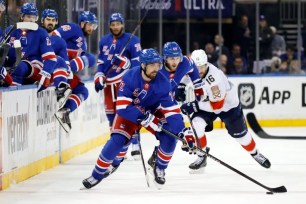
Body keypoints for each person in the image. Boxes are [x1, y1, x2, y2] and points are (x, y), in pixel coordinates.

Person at [82, 48, 196, 189]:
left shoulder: (163, 82)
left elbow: (172, 111)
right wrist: (141, 116)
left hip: (153, 111)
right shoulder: (130, 77)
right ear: (143, 65)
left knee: (170, 137)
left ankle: (159, 167)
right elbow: (122, 108)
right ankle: (97, 174)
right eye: (152, 65)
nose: (156, 68)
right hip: (130, 112)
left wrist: (183, 131)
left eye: (158, 64)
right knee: (117, 141)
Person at [180, 49, 271, 173]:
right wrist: (181, 86)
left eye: (201, 67)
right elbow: (186, 74)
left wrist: (194, 106)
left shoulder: (215, 79)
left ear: (206, 64)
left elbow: (217, 106)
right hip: (206, 103)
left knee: (242, 137)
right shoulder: (194, 69)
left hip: (228, 107)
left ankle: (255, 154)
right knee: (196, 123)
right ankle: (202, 156)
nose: (199, 71)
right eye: (196, 68)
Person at [94, 12, 142, 160]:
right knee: (111, 117)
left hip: (125, 83)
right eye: (113, 24)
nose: (116, 27)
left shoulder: (133, 40)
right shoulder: (103, 41)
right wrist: (99, 77)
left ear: (122, 24)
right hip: (109, 85)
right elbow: (101, 64)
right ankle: (117, 146)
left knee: (129, 114)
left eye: (118, 24)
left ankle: (135, 144)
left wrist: (125, 63)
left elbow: (138, 65)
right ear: (109, 25)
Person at [53, 11, 98, 132]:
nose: (92, 28)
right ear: (82, 23)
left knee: (83, 91)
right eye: (91, 25)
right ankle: (65, 74)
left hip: (65, 72)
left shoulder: (84, 44)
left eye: (94, 26)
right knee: (91, 58)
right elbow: (53, 36)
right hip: (55, 66)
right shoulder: (74, 28)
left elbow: (81, 59)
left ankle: (64, 111)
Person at [2, 3, 57, 91]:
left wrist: (45, 74)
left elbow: (51, 59)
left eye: (34, 17)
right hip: (13, 68)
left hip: (34, 67)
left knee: (21, 67)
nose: (31, 20)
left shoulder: (41, 33)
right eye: (28, 16)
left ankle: (13, 93)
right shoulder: (11, 30)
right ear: (22, 16)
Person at [41, 9, 72, 108]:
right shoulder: (37, 34)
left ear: (56, 22)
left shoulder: (60, 41)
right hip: (36, 68)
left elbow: (66, 63)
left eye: (53, 20)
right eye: (48, 19)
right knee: (57, 59)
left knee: (63, 65)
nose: (50, 22)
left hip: (48, 74)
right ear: (42, 20)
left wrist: (67, 71)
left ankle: (61, 94)